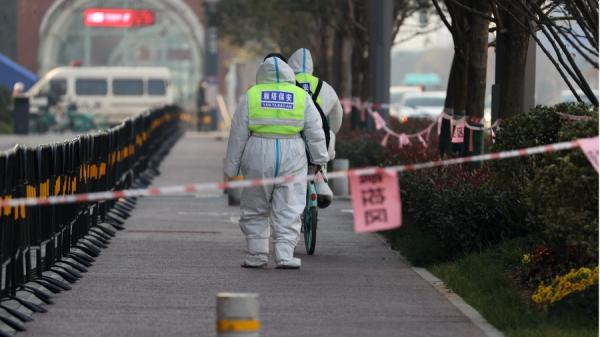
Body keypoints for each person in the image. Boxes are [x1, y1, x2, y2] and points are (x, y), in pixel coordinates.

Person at [224, 56, 329, 269]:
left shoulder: (252, 96)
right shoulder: (301, 96)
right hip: (293, 153)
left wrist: (231, 168)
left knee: (255, 204)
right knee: (289, 206)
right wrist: (319, 160)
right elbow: (315, 131)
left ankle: (257, 254)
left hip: (258, 151)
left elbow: (238, 133)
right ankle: (284, 255)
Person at [288, 48, 343, 208]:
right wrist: (331, 131)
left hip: (293, 138)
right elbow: (336, 117)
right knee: (323, 148)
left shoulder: (286, 85)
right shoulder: (325, 87)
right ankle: (321, 183)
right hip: (320, 139)